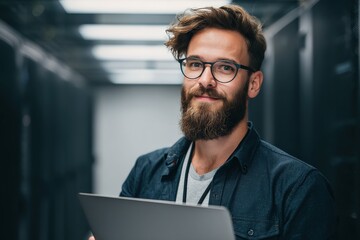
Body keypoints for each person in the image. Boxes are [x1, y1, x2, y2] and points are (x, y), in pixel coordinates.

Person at [90, 4, 337, 240]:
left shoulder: (297, 188)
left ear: (253, 84)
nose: (205, 80)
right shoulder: (146, 172)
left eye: (225, 68)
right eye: (195, 64)